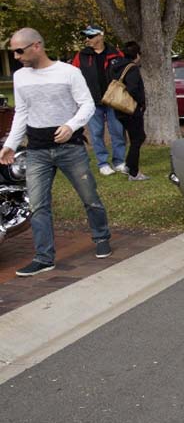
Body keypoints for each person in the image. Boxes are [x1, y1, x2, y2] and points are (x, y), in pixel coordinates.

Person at [0, 28, 111, 276]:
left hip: (69, 148)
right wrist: (12, 144)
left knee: (89, 197)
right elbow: (22, 112)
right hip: (37, 150)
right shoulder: (20, 77)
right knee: (38, 206)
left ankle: (102, 237)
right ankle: (44, 257)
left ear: (36, 46)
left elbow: (87, 104)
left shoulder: (68, 73)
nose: (16, 56)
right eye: (13, 52)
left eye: (19, 50)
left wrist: (71, 126)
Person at [71, 24, 126, 176]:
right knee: (96, 133)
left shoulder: (116, 54)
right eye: (86, 36)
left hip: (114, 100)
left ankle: (119, 161)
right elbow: (74, 77)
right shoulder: (81, 56)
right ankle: (103, 163)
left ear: (100, 36)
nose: (87, 39)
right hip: (92, 102)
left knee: (117, 131)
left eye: (90, 36)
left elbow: (126, 73)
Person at [108, 41, 148, 181]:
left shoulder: (115, 67)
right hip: (130, 108)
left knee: (135, 137)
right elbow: (132, 88)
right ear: (137, 54)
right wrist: (141, 102)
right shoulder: (132, 68)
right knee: (138, 138)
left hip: (118, 108)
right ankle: (133, 171)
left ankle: (129, 166)